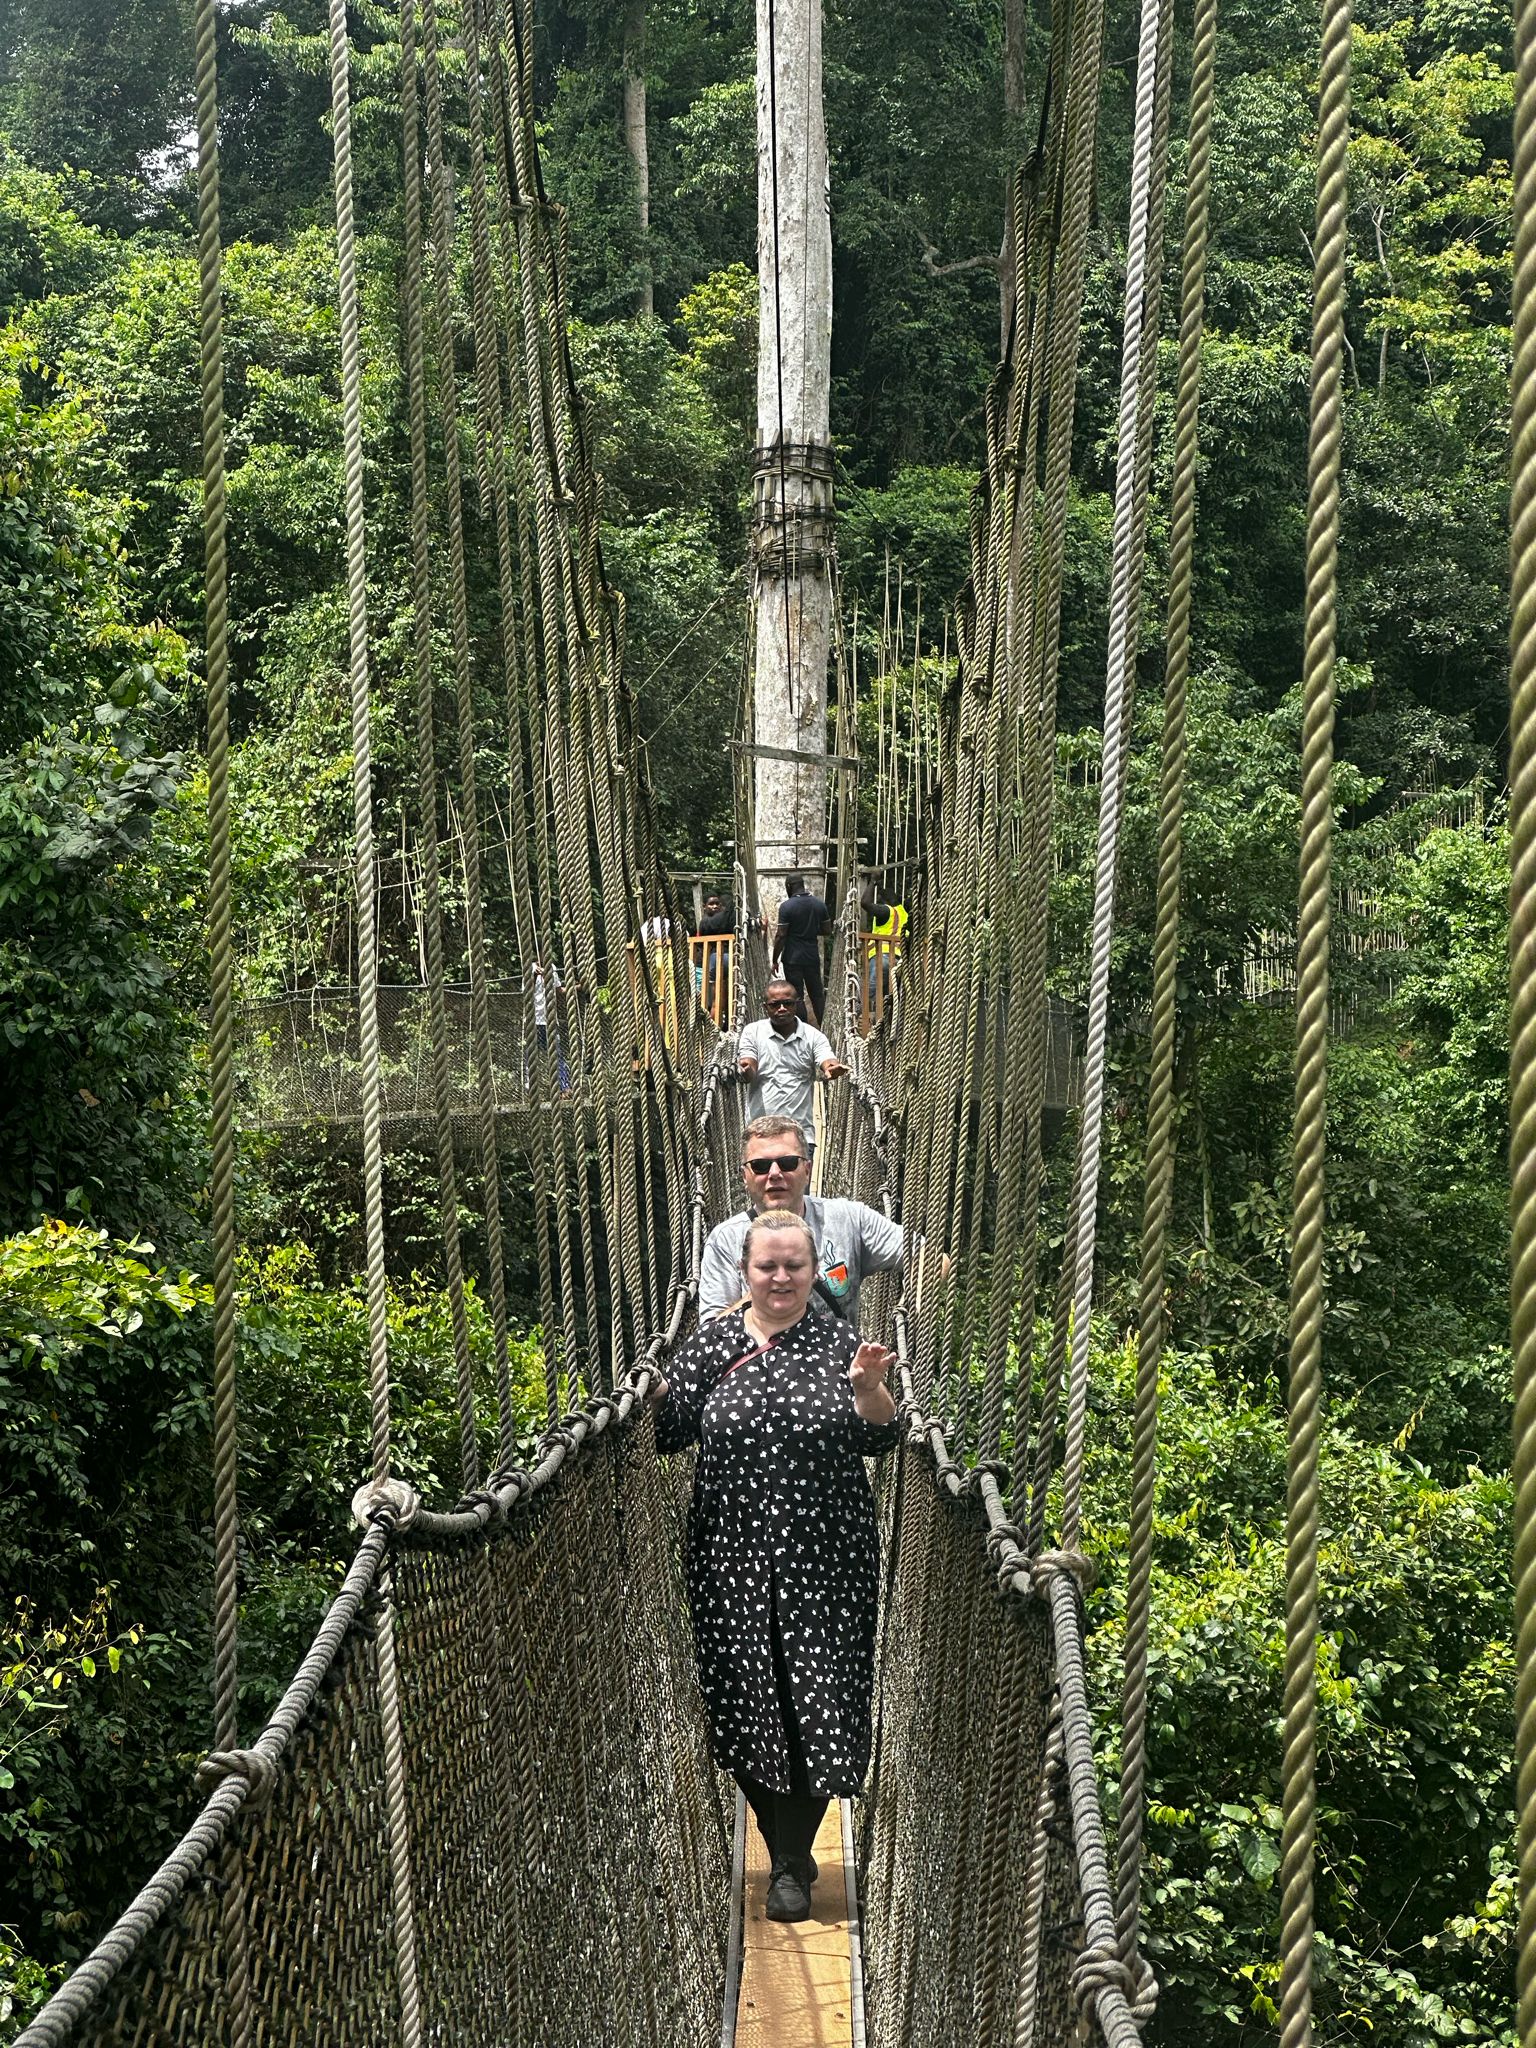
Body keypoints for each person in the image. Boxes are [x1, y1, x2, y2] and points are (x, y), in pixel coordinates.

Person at [650, 1209, 899, 1922]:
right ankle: (780, 1838)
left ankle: (790, 1859)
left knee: (817, 1702)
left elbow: (879, 1435)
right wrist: (652, 1388)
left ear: (813, 1270)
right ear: (746, 1272)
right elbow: (671, 1431)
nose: (782, 1277)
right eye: (768, 1266)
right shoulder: (711, 1345)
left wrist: (865, 1389)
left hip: (827, 1558)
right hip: (728, 1558)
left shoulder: (839, 1341)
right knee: (744, 1700)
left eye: (795, 1266)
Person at [698, 1115, 906, 1323]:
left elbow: (926, 1260)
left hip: (840, 1355)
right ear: (745, 1176)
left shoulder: (849, 1219)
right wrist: (773, 1288)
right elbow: (709, 1337)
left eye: (787, 1163)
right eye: (760, 1166)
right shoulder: (725, 1240)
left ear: (807, 1171)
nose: (774, 1174)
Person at [737, 980, 847, 1161]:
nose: (781, 1008)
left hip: (800, 1135)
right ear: (765, 1007)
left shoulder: (813, 1036)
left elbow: (827, 1060)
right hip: (760, 1134)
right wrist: (745, 1071)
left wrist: (832, 1069)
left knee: (798, 1190)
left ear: (797, 1004)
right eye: (774, 1005)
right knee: (762, 1188)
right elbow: (749, 1065)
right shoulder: (753, 1032)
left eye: (787, 1003)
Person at [772, 874, 831, 1025]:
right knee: (817, 994)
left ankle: (803, 1029)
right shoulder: (819, 904)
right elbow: (826, 930)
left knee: (797, 996)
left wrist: (775, 960)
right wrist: (809, 930)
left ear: (789, 886)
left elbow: (781, 935)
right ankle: (825, 1028)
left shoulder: (787, 906)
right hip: (812, 957)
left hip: (792, 958)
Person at [859, 876, 909, 1026]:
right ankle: (888, 1024)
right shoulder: (905, 915)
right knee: (891, 995)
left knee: (871, 991)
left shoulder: (887, 911)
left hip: (883, 957)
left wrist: (872, 881)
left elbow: (865, 903)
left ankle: (866, 1021)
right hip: (900, 960)